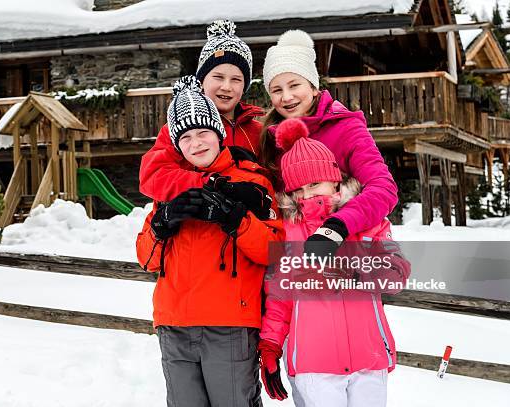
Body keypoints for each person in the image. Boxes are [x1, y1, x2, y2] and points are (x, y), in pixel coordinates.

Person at [136, 76, 284, 407]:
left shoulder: (252, 181)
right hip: (175, 323)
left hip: (229, 324)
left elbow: (273, 252)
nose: (196, 143)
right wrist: (161, 226)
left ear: (218, 133)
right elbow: (147, 260)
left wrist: (237, 220)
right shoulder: (171, 188)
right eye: (185, 137)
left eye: (203, 132)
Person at [257, 118, 411, 407]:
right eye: (297, 189)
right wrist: (270, 345)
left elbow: (397, 271)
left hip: (369, 357)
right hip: (315, 364)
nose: (307, 195)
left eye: (315, 183)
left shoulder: (368, 220)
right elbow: (280, 297)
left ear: (335, 178)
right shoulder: (288, 231)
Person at [259, 29, 399, 259]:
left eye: (294, 85)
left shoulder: (346, 129)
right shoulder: (270, 139)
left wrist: (339, 225)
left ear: (314, 87)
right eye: (277, 90)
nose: (286, 97)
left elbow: (383, 188)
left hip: (347, 248)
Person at [139, 20, 264, 202]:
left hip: (250, 223)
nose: (227, 86)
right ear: (202, 80)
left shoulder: (258, 131)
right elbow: (153, 176)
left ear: (245, 86)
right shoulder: (183, 129)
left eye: (236, 79)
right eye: (218, 77)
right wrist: (208, 184)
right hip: (199, 222)